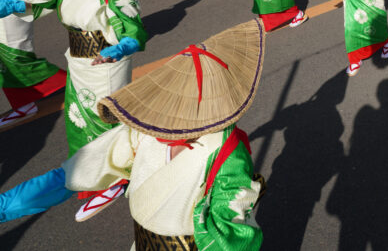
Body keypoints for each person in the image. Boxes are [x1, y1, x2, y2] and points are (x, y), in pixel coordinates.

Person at [0, 20, 266, 250]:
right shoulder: (145, 131)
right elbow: (75, 172)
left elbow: (231, 233)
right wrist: (4, 206)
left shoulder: (226, 149)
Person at [0, 0, 147, 220]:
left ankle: (119, 176)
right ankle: (95, 178)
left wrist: (120, 48)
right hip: (79, 63)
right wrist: (9, 3)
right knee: (79, 121)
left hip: (105, 66)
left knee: (103, 120)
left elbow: (134, 31)